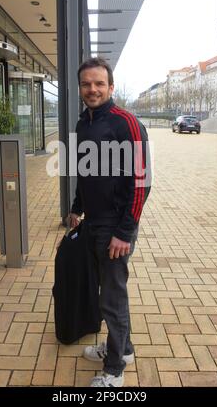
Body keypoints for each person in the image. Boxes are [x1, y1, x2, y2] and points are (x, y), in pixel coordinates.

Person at [69, 57, 151, 387]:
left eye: (99, 83)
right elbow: (84, 172)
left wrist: (124, 233)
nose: (93, 89)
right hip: (93, 223)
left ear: (111, 87)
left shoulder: (126, 123)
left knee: (111, 298)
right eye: (87, 84)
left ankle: (115, 370)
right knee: (111, 293)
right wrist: (77, 208)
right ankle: (124, 348)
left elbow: (141, 182)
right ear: (80, 88)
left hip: (116, 227)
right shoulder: (83, 125)